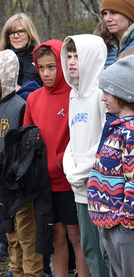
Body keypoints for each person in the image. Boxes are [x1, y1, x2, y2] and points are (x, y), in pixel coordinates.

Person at [23, 40, 90, 277]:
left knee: (76, 235)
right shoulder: (33, 98)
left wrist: (61, 160)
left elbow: (82, 136)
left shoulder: (76, 95)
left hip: (70, 180)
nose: (46, 73)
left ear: (62, 64)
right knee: (55, 237)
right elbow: (28, 138)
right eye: (41, 68)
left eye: (51, 66)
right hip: (44, 182)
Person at [0, 49, 46, 277]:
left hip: (21, 186)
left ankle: (32, 273)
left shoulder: (20, 106)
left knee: (27, 236)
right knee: (11, 234)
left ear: (9, 74)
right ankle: (15, 271)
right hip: (0, 184)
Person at [61, 35, 110, 277]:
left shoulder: (102, 94)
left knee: (106, 252)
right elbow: (74, 138)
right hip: (79, 187)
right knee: (89, 248)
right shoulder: (73, 94)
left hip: (101, 187)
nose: (71, 61)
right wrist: (69, 169)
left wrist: (79, 172)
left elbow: (105, 141)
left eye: (77, 56)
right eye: (68, 55)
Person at [87, 55, 134, 277]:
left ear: (124, 93)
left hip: (124, 228)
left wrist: (126, 220)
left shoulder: (131, 132)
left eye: (107, 91)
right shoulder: (115, 126)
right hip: (108, 223)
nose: (103, 97)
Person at [94, 0, 134, 68]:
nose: (107, 19)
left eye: (114, 12)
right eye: (105, 13)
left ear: (129, 15)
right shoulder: (101, 45)